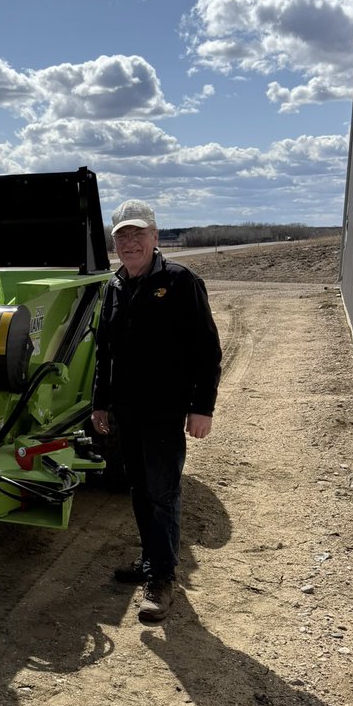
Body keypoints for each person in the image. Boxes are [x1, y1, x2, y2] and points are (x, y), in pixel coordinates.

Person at [91, 199, 222, 624]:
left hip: (165, 411)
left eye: (138, 234)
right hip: (126, 412)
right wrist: (100, 403)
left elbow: (207, 351)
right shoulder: (114, 287)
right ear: (114, 243)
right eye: (122, 236)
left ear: (155, 236)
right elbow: (104, 354)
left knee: (163, 493)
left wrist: (201, 408)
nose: (130, 243)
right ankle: (151, 560)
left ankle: (162, 580)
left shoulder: (180, 282)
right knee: (139, 489)